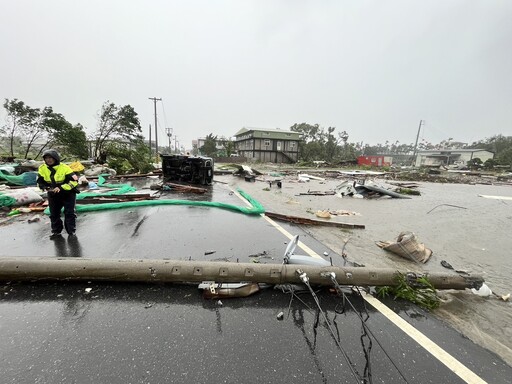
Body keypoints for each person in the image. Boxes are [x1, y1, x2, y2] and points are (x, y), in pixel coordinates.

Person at [37, 149, 79, 239]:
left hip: (67, 193)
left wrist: (61, 188)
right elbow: (40, 181)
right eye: (46, 158)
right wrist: (46, 187)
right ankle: (56, 232)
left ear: (55, 158)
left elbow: (75, 181)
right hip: (53, 194)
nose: (48, 160)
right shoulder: (42, 168)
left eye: (50, 158)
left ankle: (71, 232)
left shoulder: (64, 167)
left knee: (69, 213)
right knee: (54, 214)